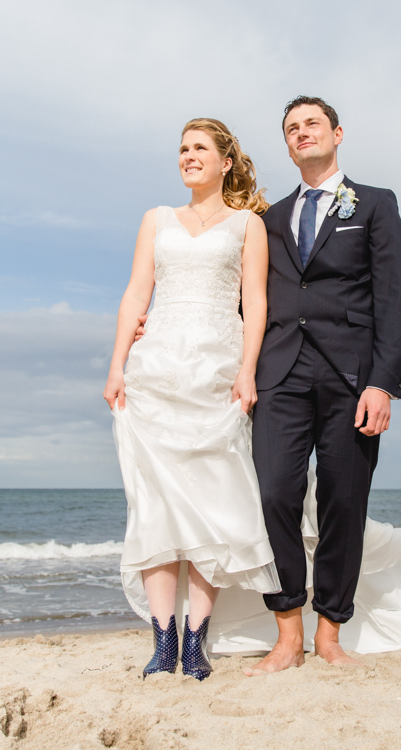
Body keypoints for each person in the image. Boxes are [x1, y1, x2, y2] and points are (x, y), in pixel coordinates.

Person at [104, 117, 279, 682]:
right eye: (182, 149)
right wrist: (116, 365)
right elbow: (137, 291)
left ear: (226, 161)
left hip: (217, 370)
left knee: (212, 502)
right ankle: (162, 641)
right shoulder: (156, 220)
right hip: (155, 370)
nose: (188, 156)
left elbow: (256, 302)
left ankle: (196, 641)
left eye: (200, 148)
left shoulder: (249, 225)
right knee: (154, 504)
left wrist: (248, 370)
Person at [247, 96, 401, 675]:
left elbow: (393, 298)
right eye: (291, 128)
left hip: (351, 378)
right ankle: (286, 632)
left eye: (311, 123)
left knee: (343, 501)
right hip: (281, 374)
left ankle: (330, 632)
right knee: (273, 496)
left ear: (337, 133)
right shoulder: (268, 219)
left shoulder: (375, 205)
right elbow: (248, 298)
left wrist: (382, 384)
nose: (301, 133)